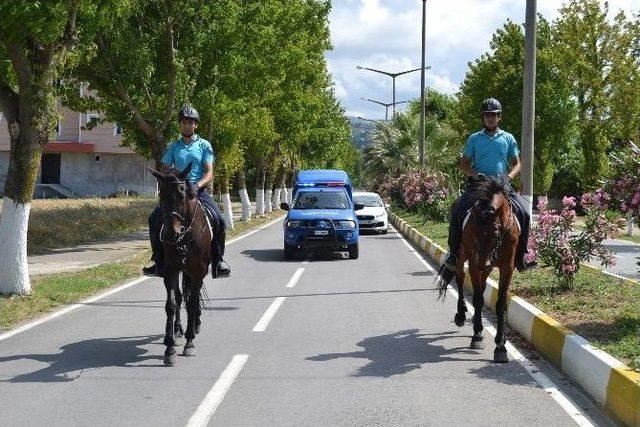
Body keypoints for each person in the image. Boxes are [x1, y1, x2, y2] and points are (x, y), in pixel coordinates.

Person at [443, 98, 537, 273]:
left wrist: (509, 176)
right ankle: (454, 254)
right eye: (487, 115)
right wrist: (474, 174)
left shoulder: (508, 138)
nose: (490, 118)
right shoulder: (474, 139)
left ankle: (522, 255)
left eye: (493, 115)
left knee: (524, 212)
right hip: (479, 186)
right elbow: (464, 165)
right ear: (483, 118)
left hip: (501, 185)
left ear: (499, 117)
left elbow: (517, 163)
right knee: (457, 210)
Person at [143, 105, 231, 278]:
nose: (186, 126)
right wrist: (170, 179)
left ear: (195, 125)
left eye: (190, 123)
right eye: (183, 123)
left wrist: (197, 186)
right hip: (177, 191)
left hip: (198, 190)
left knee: (219, 219)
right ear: (180, 125)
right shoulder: (174, 146)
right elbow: (165, 167)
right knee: (154, 218)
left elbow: (209, 172)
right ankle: (157, 259)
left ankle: (218, 261)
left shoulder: (204, 145)